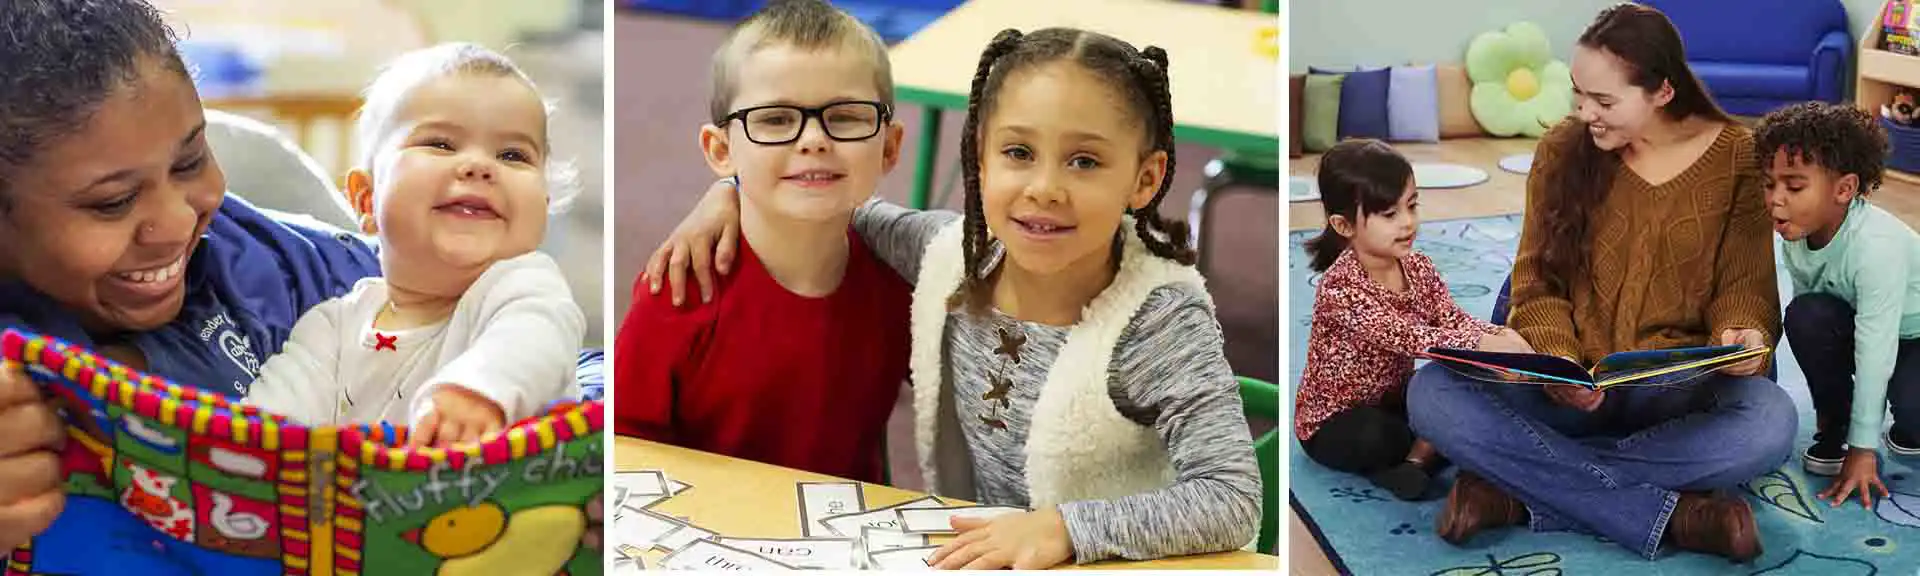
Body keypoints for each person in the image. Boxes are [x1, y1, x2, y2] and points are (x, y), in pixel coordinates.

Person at [650, 26, 1261, 569]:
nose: (1044, 188)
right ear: (979, 159)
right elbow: (828, 199)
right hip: (977, 555)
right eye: (1018, 153)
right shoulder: (948, 253)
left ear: (1145, 179)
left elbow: (1233, 500)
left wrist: (1066, 528)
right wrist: (727, 191)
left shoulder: (1158, 322)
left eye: (1084, 161)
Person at [1406, 3, 1793, 563]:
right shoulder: (1562, 150)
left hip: (1673, 394)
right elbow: (1535, 282)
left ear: (1662, 92)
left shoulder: (1737, 158)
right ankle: (1679, 515)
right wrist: (1560, 363)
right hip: (1572, 388)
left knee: (1769, 422)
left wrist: (1742, 336)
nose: (1587, 112)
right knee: (1431, 393)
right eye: (1578, 93)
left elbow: (1745, 285)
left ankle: (1517, 494)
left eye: (1605, 101)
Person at [611, 0, 913, 484]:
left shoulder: (902, 284)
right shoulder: (679, 286)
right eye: (775, 119)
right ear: (721, 150)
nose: (814, 139)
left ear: (891, 147)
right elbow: (623, 449)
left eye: (847, 116)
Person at [244, 43, 586, 448]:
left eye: (512, 154)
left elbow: (535, 335)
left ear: (543, 208)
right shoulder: (332, 327)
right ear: (366, 199)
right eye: (441, 144)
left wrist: (479, 390)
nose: (479, 166)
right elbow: (267, 428)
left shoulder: (525, 287)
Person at [1295, 139, 1527, 501]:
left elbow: (1452, 320)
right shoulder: (1339, 288)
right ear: (1343, 225)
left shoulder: (1419, 267)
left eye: (1411, 206)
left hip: (1393, 397)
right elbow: (1408, 336)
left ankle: (1418, 460)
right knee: (1381, 435)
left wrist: (1504, 340)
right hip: (1335, 422)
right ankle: (1420, 455)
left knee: (1457, 391)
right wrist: (1484, 345)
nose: (1407, 223)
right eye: (1389, 215)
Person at [1759, 102, 1920, 508]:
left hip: (1913, 332)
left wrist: (1863, 451)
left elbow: (1876, 349)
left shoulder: (1874, 248)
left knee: (1914, 414)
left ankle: (1907, 422)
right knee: (1805, 315)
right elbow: (1812, 324)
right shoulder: (1800, 233)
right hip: (1867, 323)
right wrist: (1845, 427)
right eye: (1769, 184)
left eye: (1794, 187)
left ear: (1844, 190)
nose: (1776, 200)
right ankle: (1836, 423)